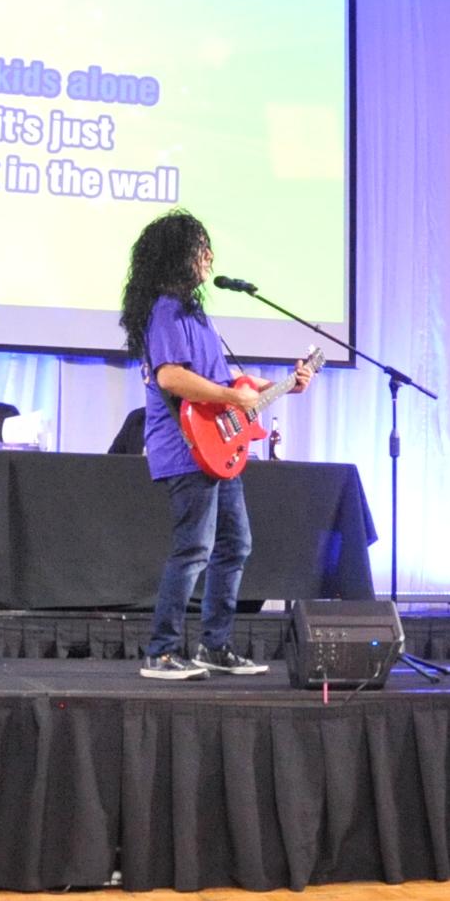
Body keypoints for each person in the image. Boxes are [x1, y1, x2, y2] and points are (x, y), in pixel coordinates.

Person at [120, 210, 314, 680]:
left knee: (235, 545)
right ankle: (162, 652)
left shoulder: (195, 313)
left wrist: (282, 384)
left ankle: (215, 645)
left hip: (216, 449)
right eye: (201, 248)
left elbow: (225, 381)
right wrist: (232, 397)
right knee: (194, 549)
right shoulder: (166, 309)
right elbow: (171, 376)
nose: (209, 257)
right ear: (179, 254)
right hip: (186, 447)